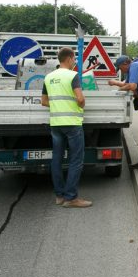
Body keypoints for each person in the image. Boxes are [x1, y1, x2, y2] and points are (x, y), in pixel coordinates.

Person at [41, 47, 92, 208]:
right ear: (69, 58)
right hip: (72, 123)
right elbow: (80, 98)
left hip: (56, 123)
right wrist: (80, 105)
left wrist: (57, 105)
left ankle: (59, 196)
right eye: (74, 59)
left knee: (56, 159)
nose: (75, 62)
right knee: (76, 160)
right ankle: (71, 198)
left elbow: (43, 101)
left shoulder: (48, 77)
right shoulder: (72, 75)